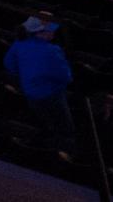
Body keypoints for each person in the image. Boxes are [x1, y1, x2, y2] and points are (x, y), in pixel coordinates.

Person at [4, 15, 75, 147]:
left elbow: (9, 64)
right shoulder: (53, 51)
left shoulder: (19, 43)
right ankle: (65, 144)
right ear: (39, 33)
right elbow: (66, 77)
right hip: (51, 93)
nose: (53, 32)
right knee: (63, 123)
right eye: (50, 30)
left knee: (44, 118)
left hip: (29, 91)